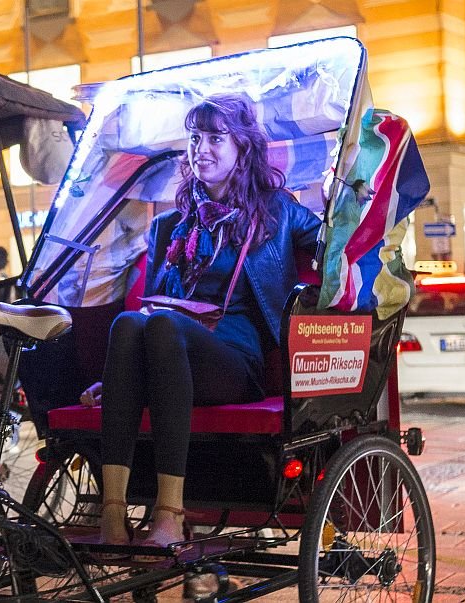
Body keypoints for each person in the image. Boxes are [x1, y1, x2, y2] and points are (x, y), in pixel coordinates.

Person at [78, 94, 321, 554]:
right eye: (194, 138)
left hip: (236, 363)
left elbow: (338, 244)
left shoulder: (278, 211)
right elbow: (152, 309)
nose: (201, 149)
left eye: (215, 138)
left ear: (242, 147)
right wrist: (120, 378)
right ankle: (112, 512)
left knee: (161, 326)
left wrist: (353, 204)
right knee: (128, 324)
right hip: (171, 354)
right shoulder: (172, 225)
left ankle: (169, 514)